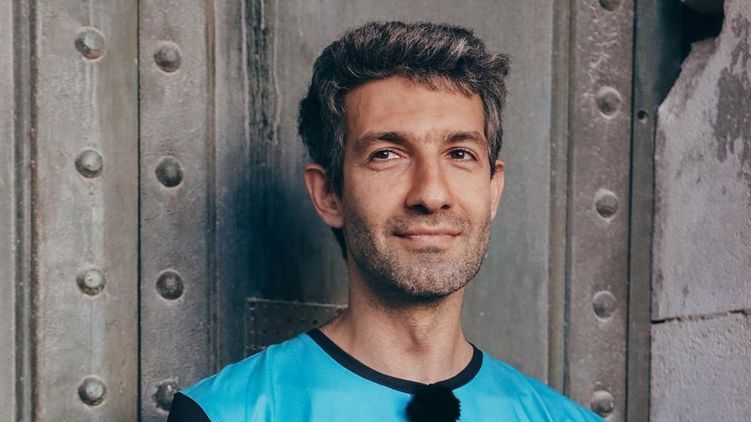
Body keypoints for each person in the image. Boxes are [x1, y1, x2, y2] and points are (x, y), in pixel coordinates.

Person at [167, 21, 602, 422]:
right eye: (386, 155)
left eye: (459, 154)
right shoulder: (226, 413)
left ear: (493, 189)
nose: (431, 194)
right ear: (329, 194)